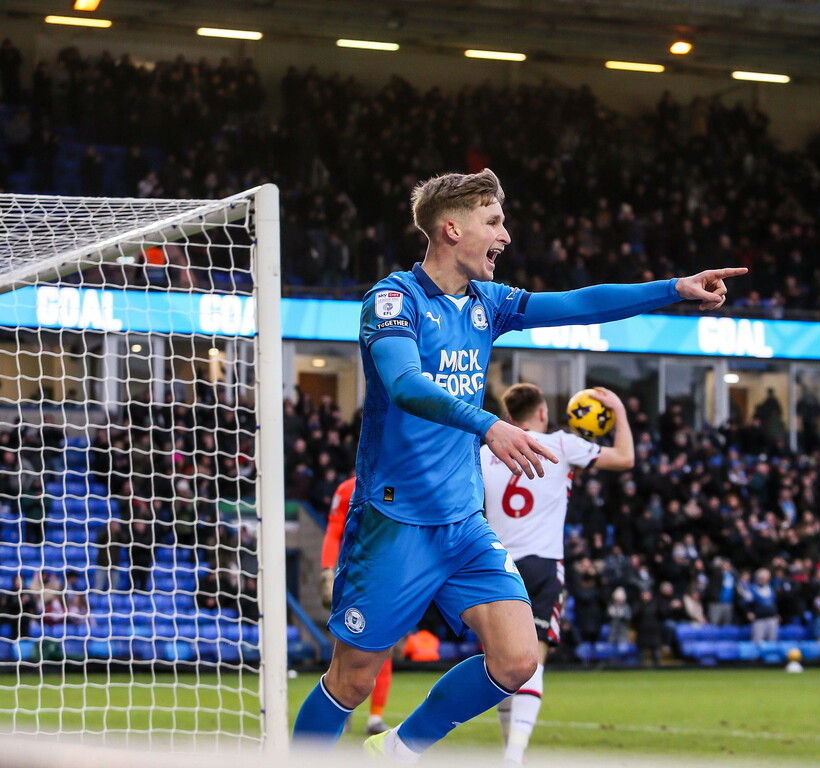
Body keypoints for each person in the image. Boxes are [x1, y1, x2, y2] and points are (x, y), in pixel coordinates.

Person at [291, 167, 746, 761]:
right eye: (494, 222)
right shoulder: (392, 299)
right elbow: (402, 383)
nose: (506, 236)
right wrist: (490, 423)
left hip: (463, 524)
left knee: (517, 660)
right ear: (451, 229)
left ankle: (397, 751)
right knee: (351, 679)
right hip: (394, 523)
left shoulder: (488, 303)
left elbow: (578, 304)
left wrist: (674, 290)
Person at [479, 382, 635, 767]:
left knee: (501, 665)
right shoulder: (563, 444)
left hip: (495, 566)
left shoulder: (485, 452)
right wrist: (619, 411)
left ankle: (508, 754)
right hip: (543, 565)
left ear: (509, 418)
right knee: (533, 659)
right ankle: (515, 755)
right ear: (544, 413)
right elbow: (625, 458)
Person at [319, 473, 393, 737]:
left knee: (385, 647)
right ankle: (341, 709)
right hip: (354, 578)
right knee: (346, 645)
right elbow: (333, 531)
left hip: (388, 578)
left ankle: (374, 718)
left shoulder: (398, 482)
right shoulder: (347, 488)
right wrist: (328, 570)